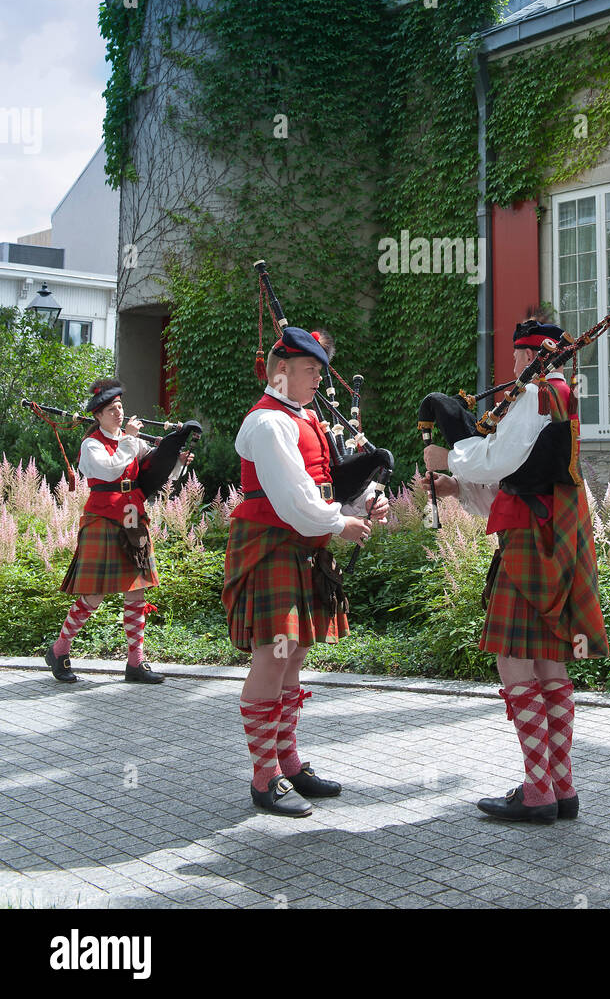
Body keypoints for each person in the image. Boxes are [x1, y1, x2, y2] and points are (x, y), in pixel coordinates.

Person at [422, 311, 608, 824]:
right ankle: (560, 787)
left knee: (513, 660)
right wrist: (460, 486)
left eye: (517, 356)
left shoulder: (534, 397)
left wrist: (449, 456)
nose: (513, 365)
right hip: (556, 532)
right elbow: (521, 480)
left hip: (530, 540)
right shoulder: (562, 399)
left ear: (529, 356)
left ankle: (537, 790)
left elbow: (499, 460)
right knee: (550, 660)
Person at [223, 326, 389, 818]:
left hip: (303, 547)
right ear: (281, 371)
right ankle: (263, 775)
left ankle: (289, 762)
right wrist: (342, 522)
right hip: (274, 544)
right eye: (310, 369)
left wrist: (361, 502)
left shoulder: (304, 417)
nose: (318, 377)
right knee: (273, 657)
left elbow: (322, 484)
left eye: (319, 369)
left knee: (294, 656)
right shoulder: (267, 424)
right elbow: (295, 499)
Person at [45, 378, 192, 686]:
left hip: (132, 519)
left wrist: (177, 461)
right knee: (94, 596)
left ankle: (135, 663)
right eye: (111, 409)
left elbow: (154, 470)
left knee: (136, 592)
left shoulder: (131, 441)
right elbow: (110, 469)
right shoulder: (92, 445)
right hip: (102, 519)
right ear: (98, 415)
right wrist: (130, 440)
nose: (118, 413)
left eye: (120, 407)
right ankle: (59, 649)